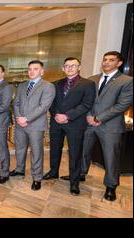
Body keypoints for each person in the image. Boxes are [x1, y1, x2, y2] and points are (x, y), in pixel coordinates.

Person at [79, 51, 133, 201]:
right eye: (105, 60)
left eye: (111, 60)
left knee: (111, 157)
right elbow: (86, 100)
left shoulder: (127, 81)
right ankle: (81, 174)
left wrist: (98, 118)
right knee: (83, 151)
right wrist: (89, 116)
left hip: (110, 126)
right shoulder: (92, 79)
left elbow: (122, 105)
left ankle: (111, 186)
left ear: (119, 63)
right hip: (89, 123)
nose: (106, 62)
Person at [42, 57, 95, 196]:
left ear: (79, 67)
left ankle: (74, 182)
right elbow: (51, 103)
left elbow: (86, 104)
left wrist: (67, 116)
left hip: (75, 124)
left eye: (73, 65)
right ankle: (53, 172)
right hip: (56, 122)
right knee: (54, 150)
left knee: (75, 153)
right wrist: (56, 115)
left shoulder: (88, 84)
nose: (70, 68)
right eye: (67, 66)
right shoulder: (55, 84)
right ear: (63, 68)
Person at [11, 60, 55, 191]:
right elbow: (16, 103)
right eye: (29, 69)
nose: (31, 71)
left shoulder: (48, 86)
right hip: (20, 124)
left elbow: (44, 106)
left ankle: (37, 178)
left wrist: (27, 118)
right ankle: (19, 169)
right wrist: (19, 117)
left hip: (36, 125)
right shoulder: (22, 85)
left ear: (42, 71)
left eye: (35, 69)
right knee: (20, 148)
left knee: (36, 152)